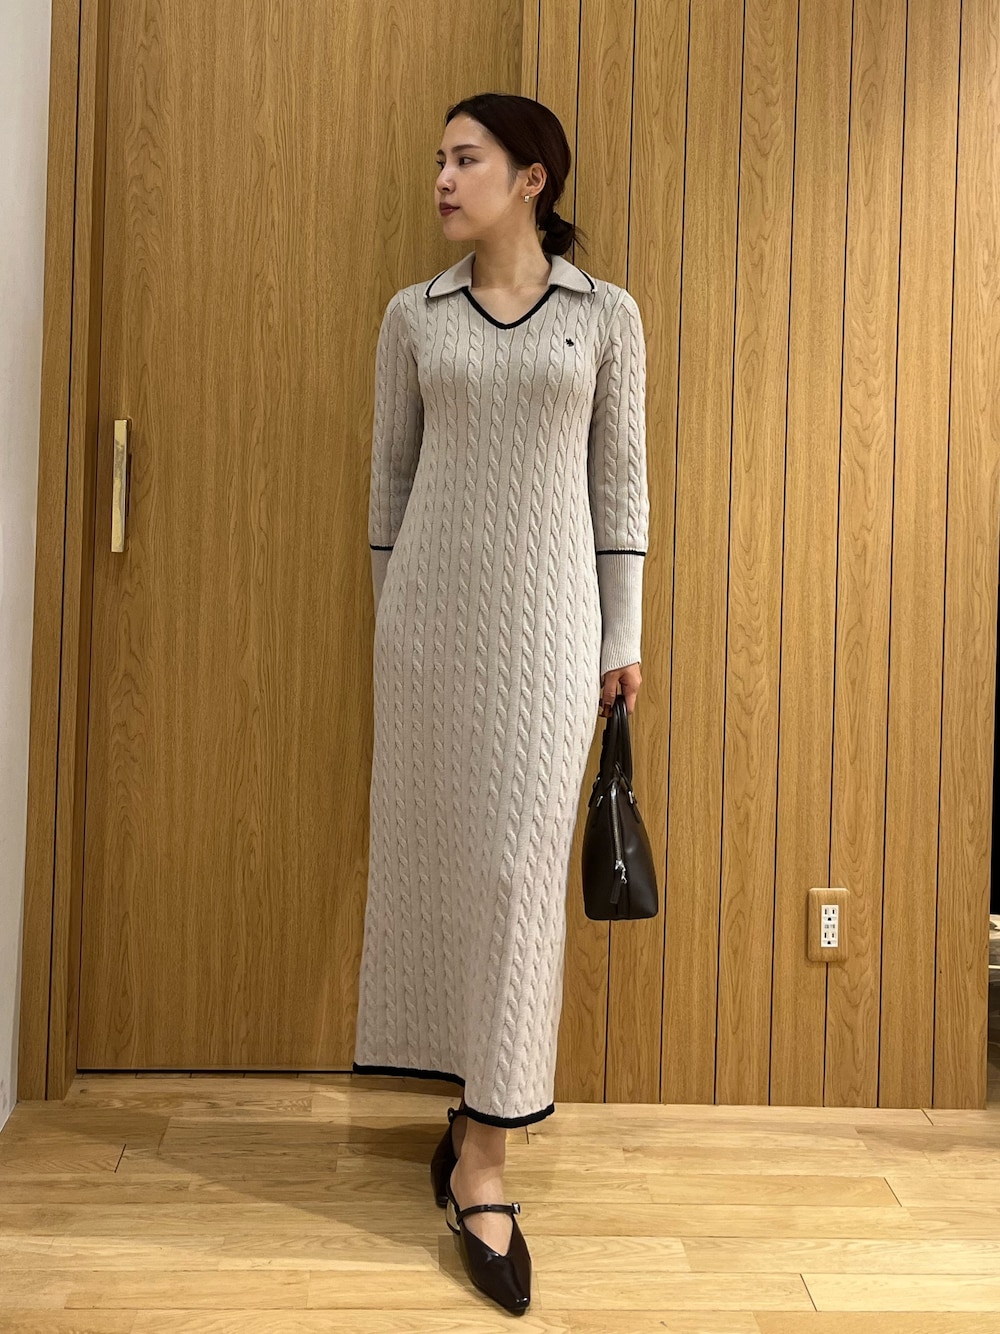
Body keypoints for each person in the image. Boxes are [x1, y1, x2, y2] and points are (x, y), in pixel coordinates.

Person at [353, 91, 649, 1315]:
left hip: (551, 640)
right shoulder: (411, 316)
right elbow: (389, 485)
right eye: (438, 158)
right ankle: (469, 1099)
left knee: (518, 875)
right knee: (440, 868)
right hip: (428, 633)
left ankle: (485, 1159)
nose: (441, 177)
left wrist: (622, 639)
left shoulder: (605, 315)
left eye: (464, 158)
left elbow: (620, 490)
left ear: (532, 177)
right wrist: (393, 626)